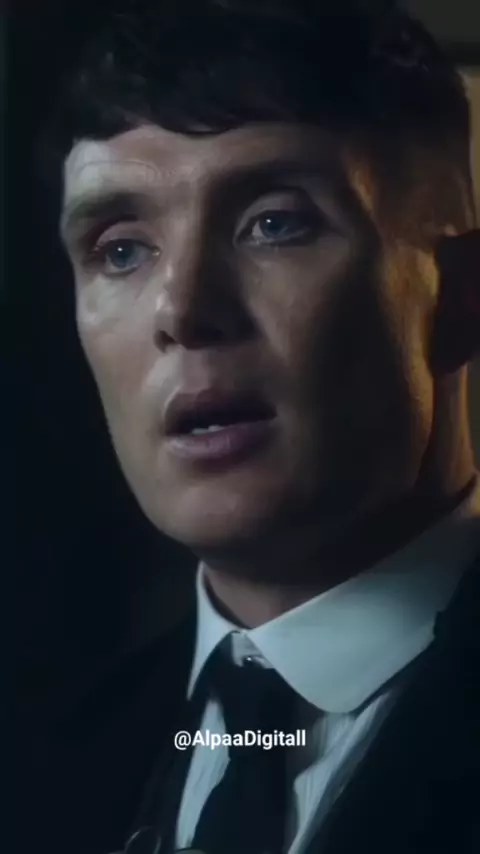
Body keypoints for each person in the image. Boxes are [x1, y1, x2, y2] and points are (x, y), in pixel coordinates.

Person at [28, 1, 480, 852]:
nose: (182, 309)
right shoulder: (33, 769)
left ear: (458, 296)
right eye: (121, 249)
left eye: (275, 223)